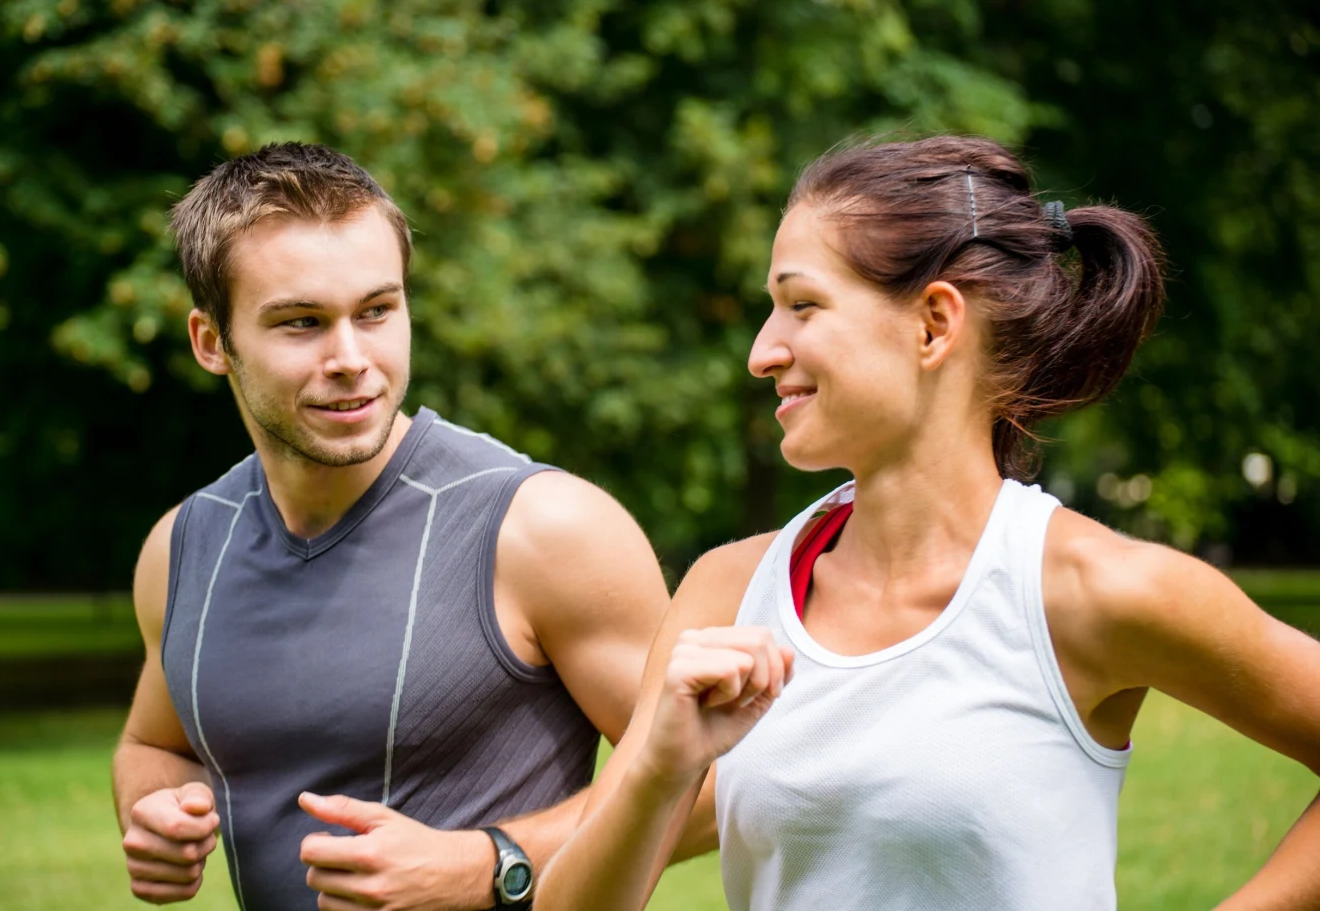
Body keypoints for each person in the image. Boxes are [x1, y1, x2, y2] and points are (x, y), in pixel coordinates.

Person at [536, 135, 1320, 911]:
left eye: (802, 304)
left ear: (934, 325)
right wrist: (658, 769)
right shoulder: (727, 592)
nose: (762, 351)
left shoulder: (1093, 590)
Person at [110, 142, 675, 911]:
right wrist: (157, 812)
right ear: (212, 342)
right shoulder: (182, 547)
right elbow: (155, 744)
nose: (351, 357)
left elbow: (710, 779)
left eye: (376, 311)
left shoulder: (543, 527)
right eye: (301, 322)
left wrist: (489, 863)